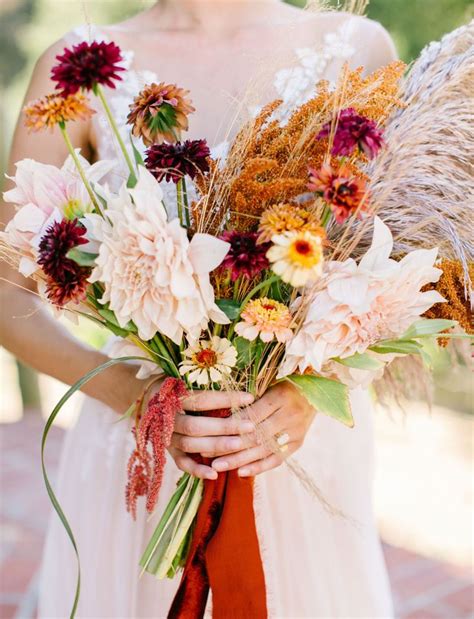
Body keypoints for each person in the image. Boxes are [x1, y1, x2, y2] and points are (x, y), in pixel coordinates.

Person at [0, 1, 398, 616]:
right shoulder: (73, 63)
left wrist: (311, 390)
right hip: (138, 445)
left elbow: (396, 270)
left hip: (296, 446)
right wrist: (137, 399)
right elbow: (6, 293)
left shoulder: (358, 47)